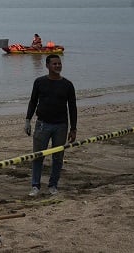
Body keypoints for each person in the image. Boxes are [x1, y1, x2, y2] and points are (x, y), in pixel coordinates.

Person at [24, 54, 77, 196]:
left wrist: (73, 128)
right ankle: (35, 186)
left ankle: (53, 185)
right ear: (47, 66)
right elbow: (33, 101)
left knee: (58, 157)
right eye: (54, 64)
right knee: (38, 156)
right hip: (42, 125)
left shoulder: (67, 85)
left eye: (59, 63)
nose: (58, 66)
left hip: (61, 126)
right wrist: (28, 120)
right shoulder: (39, 82)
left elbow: (72, 107)